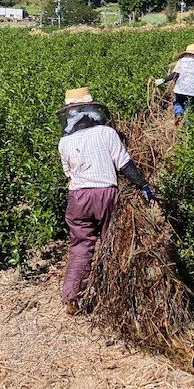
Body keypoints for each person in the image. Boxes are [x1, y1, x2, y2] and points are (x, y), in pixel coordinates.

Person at [56, 87, 153, 315]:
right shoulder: (106, 133)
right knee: (111, 241)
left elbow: (68, 173)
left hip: (77, 197)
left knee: (80, 247)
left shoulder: (64, 142)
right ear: (92, 111)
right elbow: (124, 164)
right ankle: (115, 293)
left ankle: (71, 295)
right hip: (105, 193)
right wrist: (143, 185)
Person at [154, 43, 194, 125]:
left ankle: (179, 114)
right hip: (193, 91)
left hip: (180, 89)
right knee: (189, 107)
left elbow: (175, 74)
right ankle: (186, 128)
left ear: (186, 53)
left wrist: (162, 80)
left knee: (178, 103)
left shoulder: (181, 61)